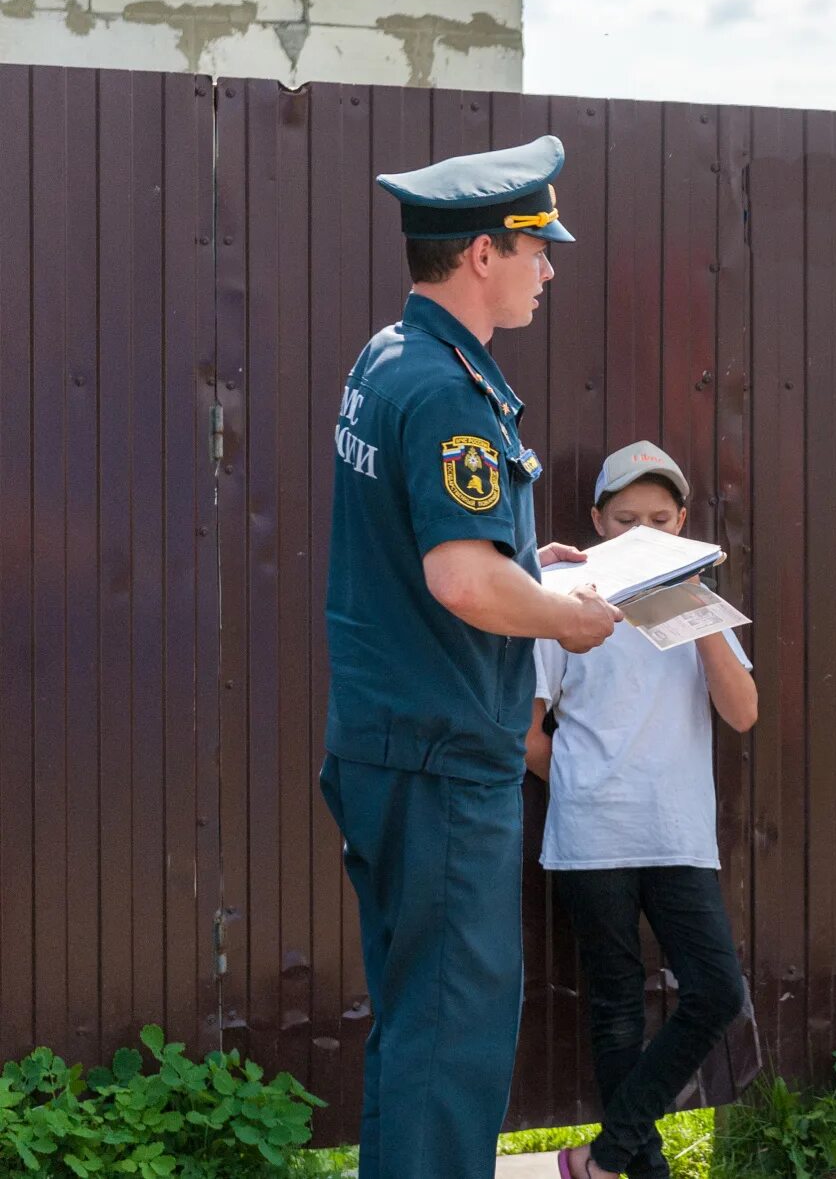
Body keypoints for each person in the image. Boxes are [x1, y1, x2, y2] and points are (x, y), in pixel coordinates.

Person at [319, 135, 623, 1179]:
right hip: (443, 759)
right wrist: (561, 615)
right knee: (451, 1035)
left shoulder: (388, 357)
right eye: (536, 247)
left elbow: (434, 549)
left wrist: (520, 559)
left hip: (390, 744)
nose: (549, 267)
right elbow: (457, 582)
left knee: (420, 1024)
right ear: (482, 253)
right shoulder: (449, 391)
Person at [531, 442, 759, 1179]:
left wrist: (698, 614)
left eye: (659, 518)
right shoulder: (562, 591)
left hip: (679, 833)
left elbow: (744, 712)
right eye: (625, 517)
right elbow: (527, 732)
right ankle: (639, 1169)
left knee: (716, 990)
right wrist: (579, 781)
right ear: (598, 519)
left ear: (683, 520)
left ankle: (603, 1156)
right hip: (592, 835)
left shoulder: (701, 598)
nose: (641, 529)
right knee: (616, 1007)